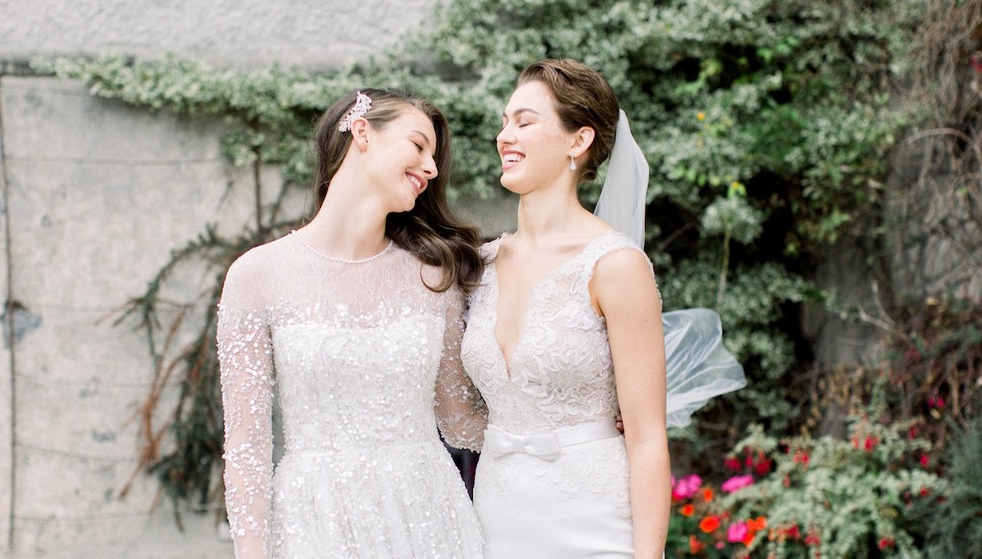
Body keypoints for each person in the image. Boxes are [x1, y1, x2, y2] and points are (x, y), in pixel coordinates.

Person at [459, 59, 746, 558]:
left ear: (578, 140)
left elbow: (647, 436)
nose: (505, 135)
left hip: (593, 519)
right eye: (505, 121)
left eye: (524, 122)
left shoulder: (615, 266)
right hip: (496, 518)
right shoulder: (479, 265)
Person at [216, 88, 488, 558]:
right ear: (362, 131)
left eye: (434, 157)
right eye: (418, 145)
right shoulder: (256, 276)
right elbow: (247, 447)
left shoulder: (435, 276)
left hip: (427, 517)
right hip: (315, 522)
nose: (431, 168)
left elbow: (459, 421)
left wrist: (570, 421)